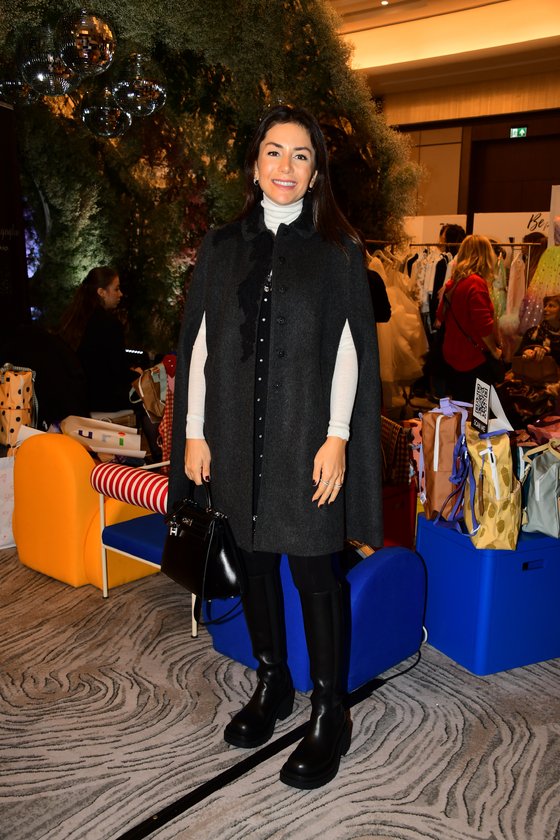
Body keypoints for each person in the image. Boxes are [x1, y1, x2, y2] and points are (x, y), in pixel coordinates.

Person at [169, 105, 382, 790]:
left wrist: (338, 437)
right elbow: (201, 344)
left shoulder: (337, 250)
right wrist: (195, 430)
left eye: (300, 155)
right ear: (254, 163)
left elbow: (349, 350)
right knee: (255, 564)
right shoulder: (222, 245)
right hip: (233, 439)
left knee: (317, 575)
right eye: (273, 152)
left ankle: (330, 711)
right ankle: (273, 681)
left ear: (316, 171)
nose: (285, 166)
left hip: (305, 440)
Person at [58, 266, 141, 413]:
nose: (120, 294)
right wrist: (138, 374)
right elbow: (118, 373)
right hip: (103, 401)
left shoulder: (72, 321)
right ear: (101, 292)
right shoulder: (110, 324)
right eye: (116, 289)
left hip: (77, 399)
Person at [435, 234, 503, 402]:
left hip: (453, 357)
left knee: (461, 405)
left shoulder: (454, 282)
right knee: (481, 409)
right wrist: (494, 351)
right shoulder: (476, 283)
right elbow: (484, 326)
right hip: (474, 360)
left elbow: (440, 315)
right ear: (485, 255)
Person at [497, 295, 560, 427]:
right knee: (504, 392)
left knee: (536, 400)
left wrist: (548, 350)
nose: (545, 309)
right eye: (546, 305)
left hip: (551, 384)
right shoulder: (533, 332)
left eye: (551, 306)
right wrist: (527, 352)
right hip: (528, 379)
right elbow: (517, 357)